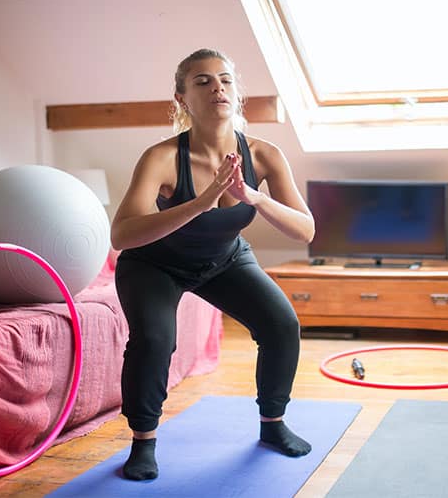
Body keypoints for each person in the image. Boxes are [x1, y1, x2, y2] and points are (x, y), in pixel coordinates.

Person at [110, 48, 315, 481]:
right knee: (154, 340)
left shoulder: (263, 155)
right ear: (182, 98)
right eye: (202, 81)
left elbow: (306, 231)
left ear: (235, 93)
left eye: (224, 80)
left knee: (281, 326)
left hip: (223, 259)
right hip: (154, 265)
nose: (217, 87)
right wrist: (200, 204)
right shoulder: (161, 158)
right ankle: (143, 441)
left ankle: (273, 425)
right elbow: (122, 235)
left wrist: (256, 197)